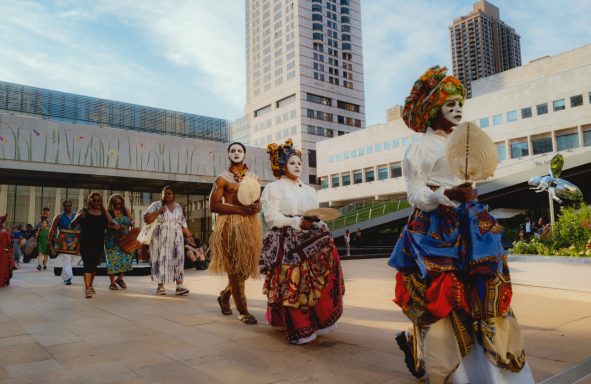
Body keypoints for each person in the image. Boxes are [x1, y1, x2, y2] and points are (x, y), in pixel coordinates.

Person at [389, 66, 534, 383]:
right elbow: (414, 193)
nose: (456, 110)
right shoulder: (420, 146)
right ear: (432, 109)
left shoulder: (460, 143)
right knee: (445, 300)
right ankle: (452, 370)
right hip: (435, 230)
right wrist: (446, 194)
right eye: (449, 104)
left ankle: (495, 366)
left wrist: (468, 192)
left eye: (459, 104)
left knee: (486, 294)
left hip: (471, 226)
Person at [260, 139, 345, 344]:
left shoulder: (310, 190)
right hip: (287, 239)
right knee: (294, 283)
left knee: (325, 275)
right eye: (292, 163)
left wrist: (318, 224)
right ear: (282, 165)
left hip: (311, 237)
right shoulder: (273, 188)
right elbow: (272, 218)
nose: (297, 166)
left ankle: (320, 320)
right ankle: (299, 328)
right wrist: (297, 222)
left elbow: (316, 214)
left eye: (299, 163)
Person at [208, 142, 263, 325]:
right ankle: (243, 310)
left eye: (239, 150)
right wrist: (240, 210)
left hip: (250, 227)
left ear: (245, 155)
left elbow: (258, 203)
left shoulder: (254, 178)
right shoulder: (222, 179)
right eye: (233, 150)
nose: (236, 153)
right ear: (229, 155)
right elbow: (214, 206)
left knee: (246, 268)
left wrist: (256, 207)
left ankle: (225, 295)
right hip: (229, 225)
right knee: (234, 267)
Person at [143, 186, 194, 296]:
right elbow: (147, 219)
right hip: (160, 237)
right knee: (160, 259)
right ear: (161, 194)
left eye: (170, 193)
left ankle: (179, 286)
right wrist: (159, 211)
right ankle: (160, 286)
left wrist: (189, 235)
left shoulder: (178, 207)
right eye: (165, 193)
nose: (167, 195)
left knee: (178, 259)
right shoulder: (156, 205)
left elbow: (183, 223)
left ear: (173, 195)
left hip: (177, 236)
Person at [71, 192, 119, 298]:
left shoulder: (103, 212)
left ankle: (90, 285)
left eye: (99, 200)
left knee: (93, 266)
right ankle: (87, 288)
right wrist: (78, 217)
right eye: (94, 200)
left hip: (99, 242)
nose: (97, 202)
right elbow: (72, 225)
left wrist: (115, 225)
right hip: (86, 242)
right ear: (90, 201)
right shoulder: (83, 211)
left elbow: (111, 222)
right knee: (88, 264)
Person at [105, 194, 135, 291]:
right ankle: (112, 283)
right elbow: (105, 225)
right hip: (112, 240)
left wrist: (132, 222)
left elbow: (132, 220)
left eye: (120, 203)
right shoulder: (109, 212)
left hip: (125, 239)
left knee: (126, 259)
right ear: (112, 204)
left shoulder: (126, 210)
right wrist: (113, 227)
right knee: (112, 261)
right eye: (115, 203)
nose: (118, 205)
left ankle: (120, 278)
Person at [48, 200, 77, 285]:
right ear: (63, 207)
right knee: (66, 259)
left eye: (69, 205)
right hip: (62, 240)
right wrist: (49, 241)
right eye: (65, 206)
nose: (67, 207)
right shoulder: (59, 217)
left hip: (74, 241)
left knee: (70, 260)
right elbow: (53, 229)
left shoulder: (75, 215)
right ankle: (68, 278)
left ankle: (65, 276)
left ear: (71, 206)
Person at [0, 214, 16, 287]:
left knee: (4, 266)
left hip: (4, 251)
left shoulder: (5, 232)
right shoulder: (5, 232)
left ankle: (4, 279)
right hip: (4, 251)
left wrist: (8, 249)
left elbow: (10, 244)